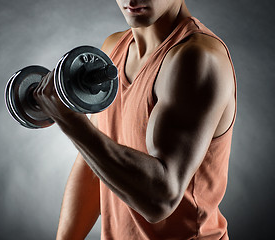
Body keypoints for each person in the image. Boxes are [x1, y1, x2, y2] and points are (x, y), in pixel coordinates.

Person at [34, 0, 237, 239]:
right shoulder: (113, 48)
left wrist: (71, 122)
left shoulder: (198, 57)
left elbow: (161, 199)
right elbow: (94, 165)